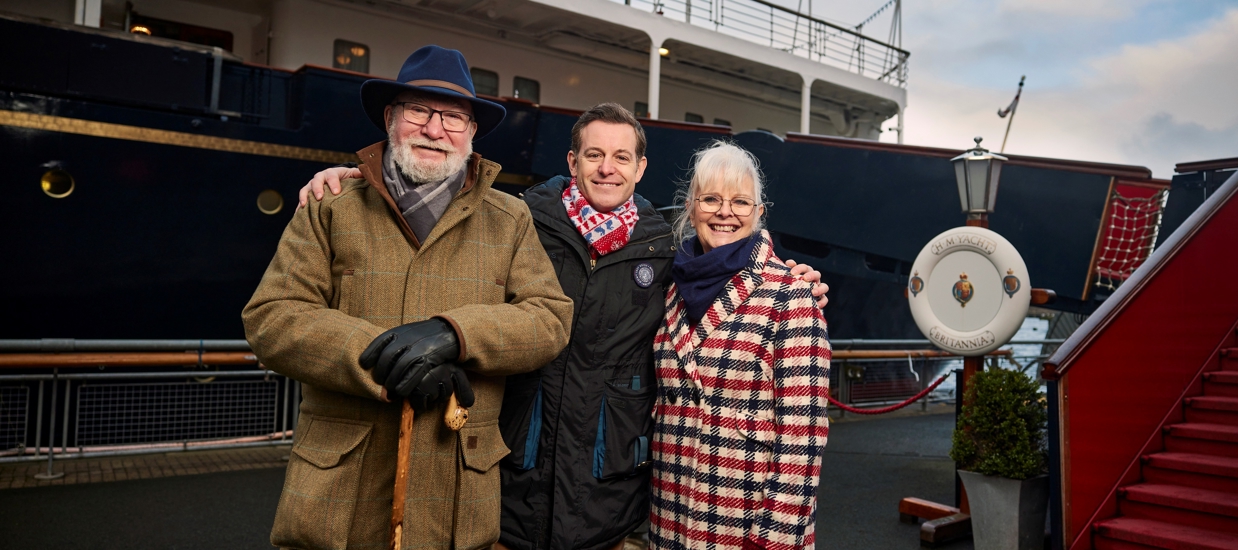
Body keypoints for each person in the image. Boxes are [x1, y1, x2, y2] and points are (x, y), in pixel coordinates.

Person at [298, 104, 828, 549]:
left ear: (640, 168)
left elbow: (800, 430)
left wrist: (795, 280)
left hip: (612, 496)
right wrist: (356, 179)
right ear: (572, 161)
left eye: (621, 157)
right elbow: (439, 202)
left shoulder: (664, 252)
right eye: (594, 155)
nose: (607, 168)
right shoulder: (518, 220)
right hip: (515, 482)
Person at [242, 45, 573, 550]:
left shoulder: (510, 219)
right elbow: (273, 317)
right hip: (339, 492)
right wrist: (386, 357)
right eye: (419, 110)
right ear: (391, 119)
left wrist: (453, 335)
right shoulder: (331, 206)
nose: (435, 129)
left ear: (472, 133)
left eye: (454, 117)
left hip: (456, 495)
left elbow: (549, 319)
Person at [651, 141, 830, 550]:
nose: (725, 212)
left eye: (740, 202)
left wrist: (773, 540)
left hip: (747, 528)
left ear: (759, 213)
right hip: (671, 520)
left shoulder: (791, 295)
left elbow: (802, 442)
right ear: (691, 207)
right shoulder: (671, 291)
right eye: (711, 199)